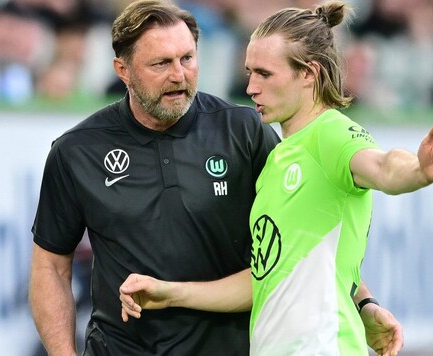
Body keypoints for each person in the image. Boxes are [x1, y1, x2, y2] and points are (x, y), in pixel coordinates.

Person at [29, 1, 402, 355]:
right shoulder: (76, 151)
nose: (179, 75)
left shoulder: (242, 130)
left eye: (187, 58)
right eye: (160, 63)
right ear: (122, 70)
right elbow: (49, 265)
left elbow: (304, 233)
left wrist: (362, 301)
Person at [119, 1, 433, 355]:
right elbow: (264, 278)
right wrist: (170, 292)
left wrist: (419, 171)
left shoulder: (331, 133)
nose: (250, 87)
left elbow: (383, 166)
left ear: (308, 73)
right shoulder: (277, 159)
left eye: (265, 74)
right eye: (249, 72)